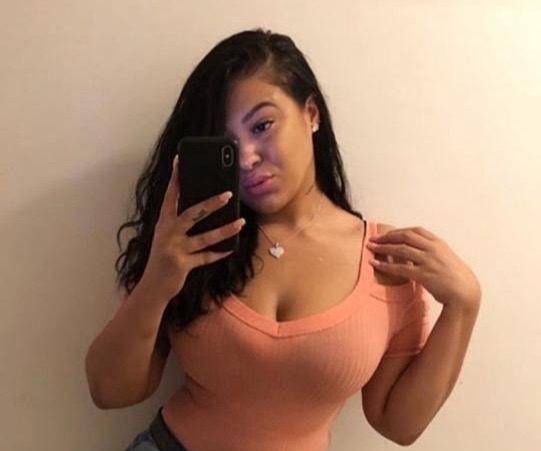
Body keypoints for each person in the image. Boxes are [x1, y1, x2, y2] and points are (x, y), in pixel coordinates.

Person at [86, 28, 435, 451]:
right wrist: (156, 282)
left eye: (262, 125)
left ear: (311, 114)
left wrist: (464, 306)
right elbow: (109, 391)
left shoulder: (386, 259)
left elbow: (398, 425)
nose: (248, 158)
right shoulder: (191, 239)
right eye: (229, 144)